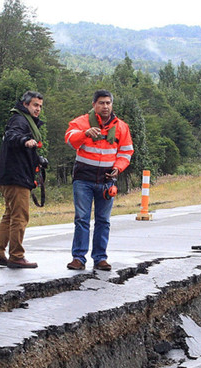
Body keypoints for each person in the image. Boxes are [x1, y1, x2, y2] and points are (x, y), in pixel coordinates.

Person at [64, 89, 133, 271]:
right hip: (83, 179)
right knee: (82, 219)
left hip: (106, 180)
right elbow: (70, 140)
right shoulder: (81, 122)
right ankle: (78, 258)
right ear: (94, 105)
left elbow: (126, 152)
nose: (105, 106)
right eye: (101, 103)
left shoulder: (121, 127)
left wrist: (118, 168)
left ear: (112, 105)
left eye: (108, 103)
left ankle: (100, 258)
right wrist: (85, 133)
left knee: (103, 220)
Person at [0, 91, 45, 269]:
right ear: (26, 104)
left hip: (11, 174)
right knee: (20, 216)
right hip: (16, 177)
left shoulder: (25, 121)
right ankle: (16, 256)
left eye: (40, 107)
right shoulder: (19, 120)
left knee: (10, 215)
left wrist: (38, 159)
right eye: (35, 105)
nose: (38, 109)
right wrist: (25, 140)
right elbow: (13, 136)